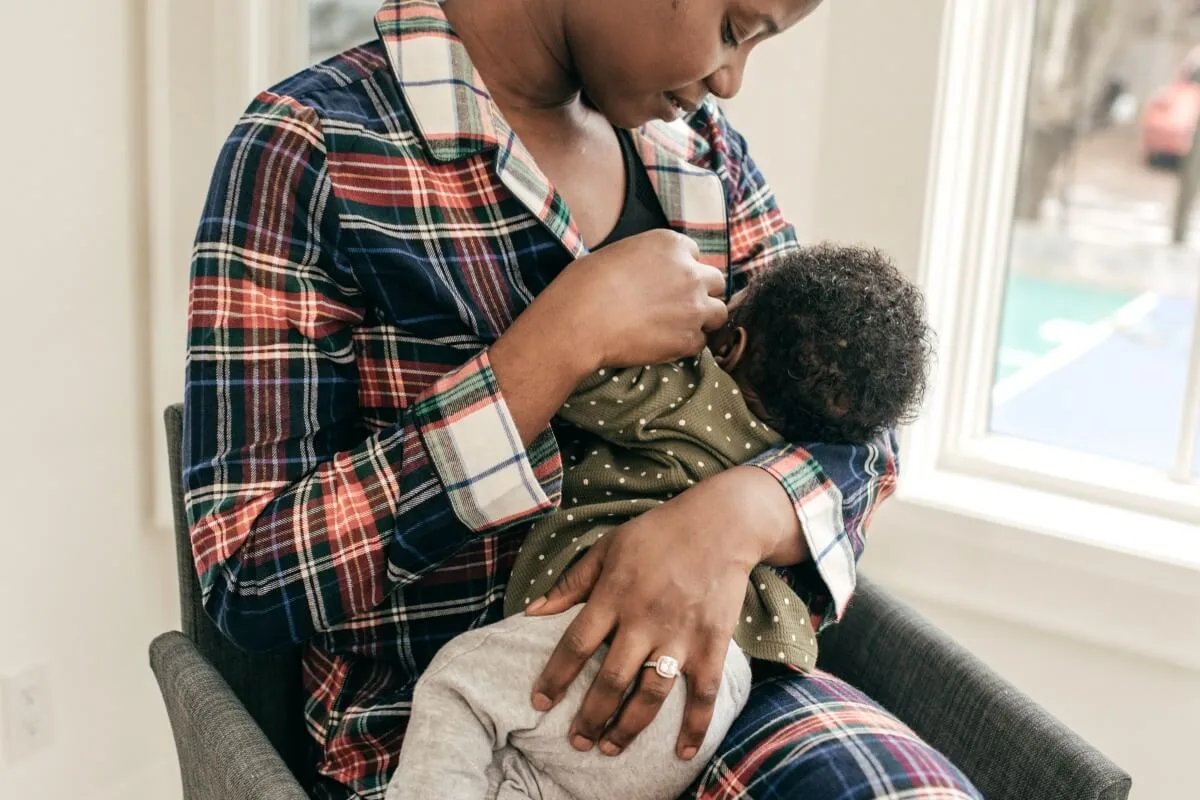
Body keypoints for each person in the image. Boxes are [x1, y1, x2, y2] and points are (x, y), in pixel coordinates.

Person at [183, 1, 982, 798]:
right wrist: (557, 345)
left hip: (716, 703)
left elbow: (860, 427)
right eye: (735, 28)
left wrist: (731, 520)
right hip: (454, 739)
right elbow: (249, 579)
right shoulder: (313, 149)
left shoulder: (707, 160)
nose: (732, 80)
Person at [387, 245, 933, 800]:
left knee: (457, 685)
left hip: (596, 643)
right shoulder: (813, 448)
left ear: (730, 343)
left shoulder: (683, 392)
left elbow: (578, 385)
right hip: (708, 698)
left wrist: (589, 317)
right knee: (531, 776)